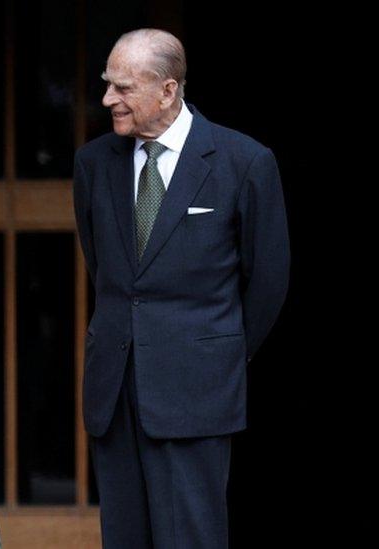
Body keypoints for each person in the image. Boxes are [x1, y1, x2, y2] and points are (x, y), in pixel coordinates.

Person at [72, 29, 290, 547]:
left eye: (122, 88)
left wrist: (216, 352)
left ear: (168, 90)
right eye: (108, 85)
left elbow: (268, 280)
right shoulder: (94, 162)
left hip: (197, 391)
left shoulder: (244, 162)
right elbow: (103, 267)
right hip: (115, 388)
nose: (108, 100)